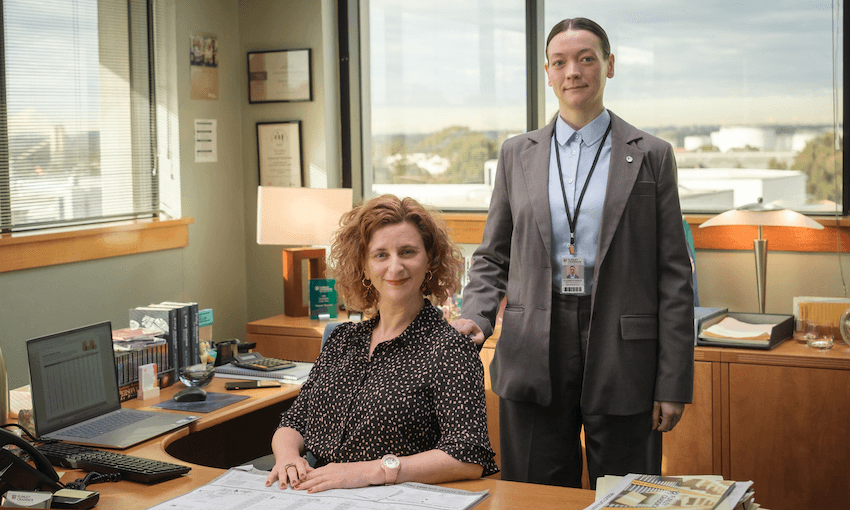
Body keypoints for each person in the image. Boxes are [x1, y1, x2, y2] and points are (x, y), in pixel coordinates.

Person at [451, 17, 694, 489]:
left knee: (627, 494)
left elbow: (674, 275)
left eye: (587, 59)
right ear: (547, 72)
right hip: (531, 341)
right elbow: (492, 255)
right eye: (560, 62)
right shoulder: (515, 153)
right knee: (534, 492)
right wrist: (475, 316)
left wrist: (672, 381)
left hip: (623, 349)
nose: (574, 72)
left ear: (610, 65)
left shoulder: (652, 155)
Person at [266, 195, 498, 493]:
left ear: (429, 260)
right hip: (315, 494)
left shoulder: (450, 348)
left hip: (393, 497)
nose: (395, 266)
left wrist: (364, 472)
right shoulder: (342, 339)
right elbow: (295, 420)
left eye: (408, 252)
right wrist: (287, 458)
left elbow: (467, 455)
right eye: (381, 255)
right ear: (363, 266)